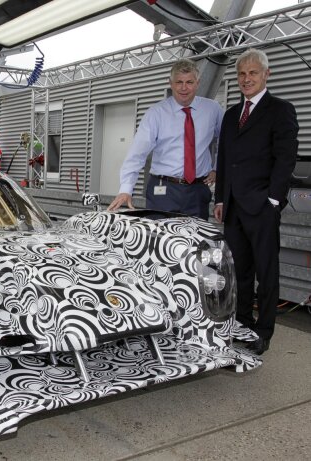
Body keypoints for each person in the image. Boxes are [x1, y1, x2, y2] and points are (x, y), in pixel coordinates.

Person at [214, 48, 298, 355]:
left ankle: (263, 331)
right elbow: (224, 160)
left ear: (266, 75)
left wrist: (273, 200)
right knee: (239, 272)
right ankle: (241, 324)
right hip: (234, 207)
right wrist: (220, 197)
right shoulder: (230, 115)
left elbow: (285, 158)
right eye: (241, 74)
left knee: (266, 270)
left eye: (253, 73)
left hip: (262, 205)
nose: (246, 79)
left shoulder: (280, 109)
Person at [108, 58, 223, 220]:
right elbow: (137, 153)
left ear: (198, 83)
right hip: (163, 191)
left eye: (189, 82)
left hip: (197, 191)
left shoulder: (213, 109)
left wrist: (217, 168)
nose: (184, 88)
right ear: (170, 83)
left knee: (196, 242)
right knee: (160, 241)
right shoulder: (156, 113)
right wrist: (126, 189)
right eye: (179, 82)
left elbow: (228, 141)